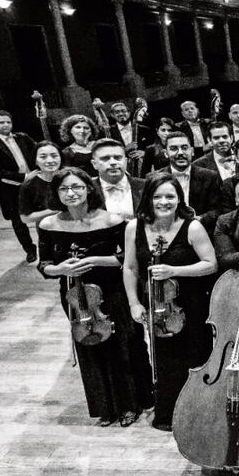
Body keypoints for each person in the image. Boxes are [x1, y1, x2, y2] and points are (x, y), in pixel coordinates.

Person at [37, 167, 152, 427]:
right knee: (90, 347)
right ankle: (106, 407)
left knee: (122, 346)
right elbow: (44, 264)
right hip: (75, 295)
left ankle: (130, 404)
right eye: (64, 188)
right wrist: (59, 269)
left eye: (77, 186)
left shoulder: (112, 220)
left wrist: (97, 260)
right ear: (56, 193)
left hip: (113, 290)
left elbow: (128, 259)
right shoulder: (48, 224)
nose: (71, 193)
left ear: (89, 188)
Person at [123, 174, 217, 430]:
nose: (164, 201)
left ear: (179, 199)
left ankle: (198, 414)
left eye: (170, 196)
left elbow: (210, 265)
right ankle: (169, 414)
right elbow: (130, 268)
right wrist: (134, 302)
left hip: (191, 304)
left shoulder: (192, 227)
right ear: (148, 199)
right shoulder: (134, 228)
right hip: (157, 305)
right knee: (164, 359)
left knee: (195, 357)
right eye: (157, 196)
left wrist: (174, 271)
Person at [0, 110, 37, 262]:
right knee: (18, 221)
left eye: (8, 122)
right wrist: (24, 177)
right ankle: (30, 249)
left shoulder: (23, 137)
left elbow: (38, 152)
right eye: (1, 122)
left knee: (43, 214)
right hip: (10, 189)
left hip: (34, 183)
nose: (6, 125)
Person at [153, 132, 223, 231]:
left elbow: (218, 209)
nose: (180, 152)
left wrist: (198, 220)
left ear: (192, 151)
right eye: (174, 149)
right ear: (165, 153)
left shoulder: (210, 176)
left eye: (185, 148)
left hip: (202, 231)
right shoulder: (154, 179)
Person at [92, 139, 144, 220]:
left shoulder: (145, 186)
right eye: (105, 158)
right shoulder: (87, 189)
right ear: (94, 164)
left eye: (118, 158)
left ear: (126, 161)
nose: (113, 162)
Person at [19, 141, 63, 227]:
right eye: (43, 157)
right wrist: (55, 211)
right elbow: (25, 218)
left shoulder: (71, 177)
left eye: (54, 156)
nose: (50, 160)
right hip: (48, 231)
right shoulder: (29, 184)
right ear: (35, 161)